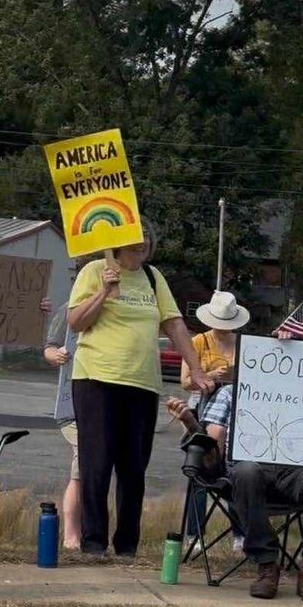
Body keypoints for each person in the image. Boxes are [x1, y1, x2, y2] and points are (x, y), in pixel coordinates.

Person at [68, 222, 213, 557]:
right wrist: (104, 292)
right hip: (96, 380)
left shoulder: (153, 277)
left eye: (148, 237)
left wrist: (197, 367)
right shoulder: (94, 270)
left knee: (133, 466)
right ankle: (93, 543)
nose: (144, 241)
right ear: (119, 241)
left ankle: (127, 545)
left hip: (143, 383)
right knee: (97, 462)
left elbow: (175, 324)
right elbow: (76, 323)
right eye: (136, 237)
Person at [166, 385, 303, 604]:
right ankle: (267, 563)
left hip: (293, 471)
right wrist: (191, 423)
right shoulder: (229, 393)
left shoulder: (302, 385)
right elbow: (213, 450)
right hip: (245, 472)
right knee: (246, 470)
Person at [180, 290, 250, 551]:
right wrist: (210, 374)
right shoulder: (198, 342)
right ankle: (194, 533)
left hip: (235, 409)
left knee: (235, 470)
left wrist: (233, 376)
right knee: (199, 469)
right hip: (202, 407)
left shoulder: (243, 344)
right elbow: (186, 382)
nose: (222, 329)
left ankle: (240, 533)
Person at [43, 301, 81, 549]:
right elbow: (49, 347)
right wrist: (55, 355)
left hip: (107, 401)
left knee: (95, 469)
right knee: (83, 464)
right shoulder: (68, 307)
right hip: (72, 404)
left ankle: (86, 533)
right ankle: (71, 536)